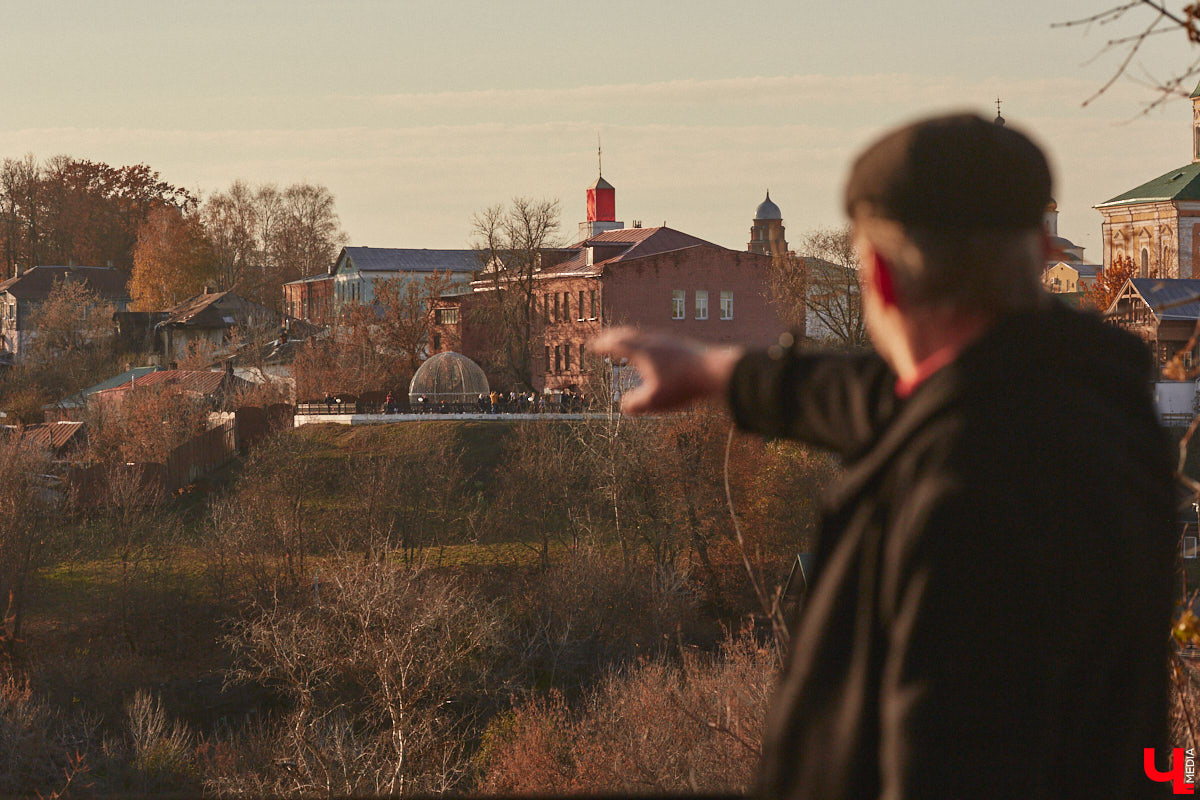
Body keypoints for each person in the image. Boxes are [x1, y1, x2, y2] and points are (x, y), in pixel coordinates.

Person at [593, 113, 1176, 799]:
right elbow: (885, 397)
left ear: (880, 275)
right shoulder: (1088, 406)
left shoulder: (964, 501)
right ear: (1044, 250)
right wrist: (721, 373)